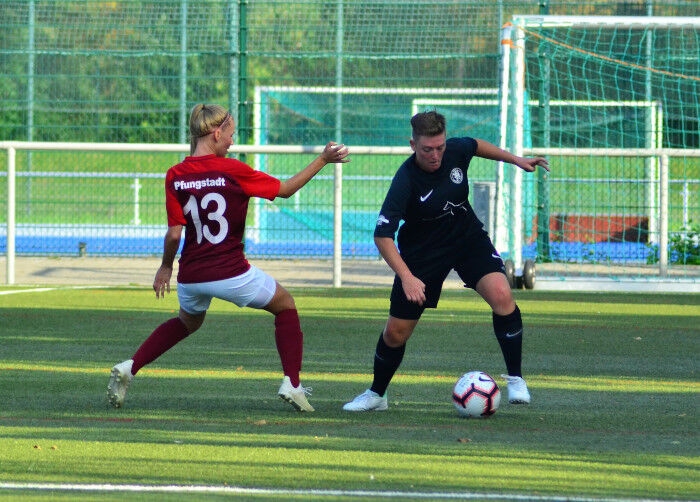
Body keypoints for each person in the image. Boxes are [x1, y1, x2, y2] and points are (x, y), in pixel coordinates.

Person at [108, 103, 350, 412]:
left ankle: (130, 366)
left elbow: (173, 234)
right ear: (216, 132)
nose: (232, 141)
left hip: (192, 276)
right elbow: (286, 189)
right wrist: (323, 159)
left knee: (187, 322)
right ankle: (292, 383)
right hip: (231, 273)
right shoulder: (232, 170)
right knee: (286, 306)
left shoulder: (175, 175)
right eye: (231, 134)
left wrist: (165, 267)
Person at [343, 110, 549, 412]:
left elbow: (476, 144)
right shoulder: (405, 180)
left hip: (466, 239)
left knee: (502, 295)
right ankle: (377, 394)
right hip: (422, 254)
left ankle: (516, 377)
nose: (436, 154)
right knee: (396, 332)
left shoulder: (454, 149)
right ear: (413, 145)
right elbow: (382, 236)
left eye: (440, 147)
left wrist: (516, 160)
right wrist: (407, 277)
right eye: (428, 149)